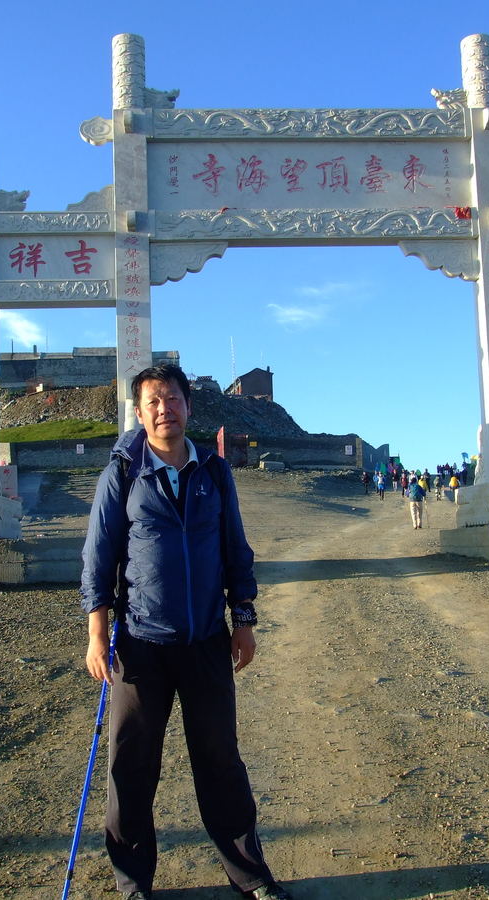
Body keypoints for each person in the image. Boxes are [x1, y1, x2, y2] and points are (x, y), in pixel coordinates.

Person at [80, 364, 292, 900]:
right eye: (153, 401)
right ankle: (134, 882)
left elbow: (235, 549)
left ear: (188, 407)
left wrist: (243, 620)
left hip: (206, 642)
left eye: (172, 398)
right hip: (140, 645)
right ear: (139, 412)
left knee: (221, 761)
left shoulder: (213, 471)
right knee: (132, 767)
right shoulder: (122, 473)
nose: (164, 409)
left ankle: (250, 876)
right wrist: (97, 634)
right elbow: (98, 559)